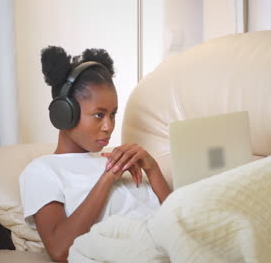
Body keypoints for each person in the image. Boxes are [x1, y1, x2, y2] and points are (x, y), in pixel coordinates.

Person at [19, 46, 172, 262]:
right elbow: (60, 250)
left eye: (113, 114)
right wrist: (108, 178)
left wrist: (152, 169)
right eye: (99, 115)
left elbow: (177, 219)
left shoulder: (120, 158)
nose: (108, 126)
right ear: (65, 113)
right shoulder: (42, 171)